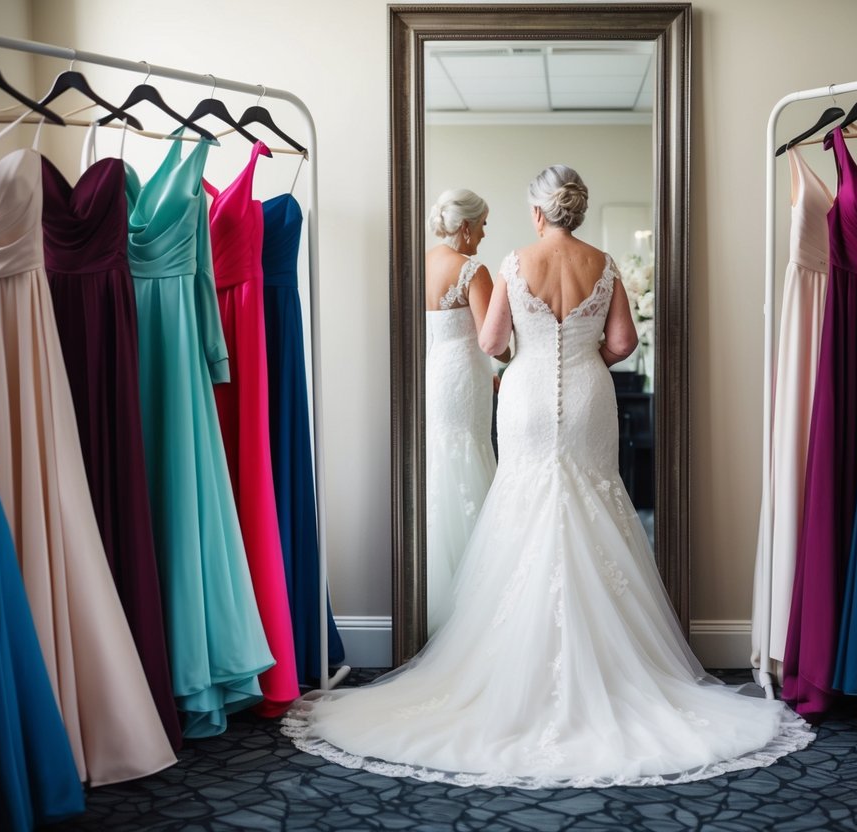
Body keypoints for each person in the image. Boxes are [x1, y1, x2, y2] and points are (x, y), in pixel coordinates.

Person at [283, 166, 812, 788]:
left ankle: (516, 665)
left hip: (527, 394)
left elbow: (491, 341)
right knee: (595, 505)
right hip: (589, 395)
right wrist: (587, 353)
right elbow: (624, 343)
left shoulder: (513, 261)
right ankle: (610, 669)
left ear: (538, 213)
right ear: (576, 210)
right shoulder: (604, 263)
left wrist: (527, 351)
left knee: (523, 504)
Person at [423, 188, 498, 635]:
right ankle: (474, 593)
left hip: (436, 372)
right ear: (466, 226)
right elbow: (494, 340)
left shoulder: (425, 262)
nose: (484, 234)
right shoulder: (473, 270)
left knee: (441, 459)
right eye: (483, 225)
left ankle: (436, 589)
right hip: (466, 376)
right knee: (469, 451)